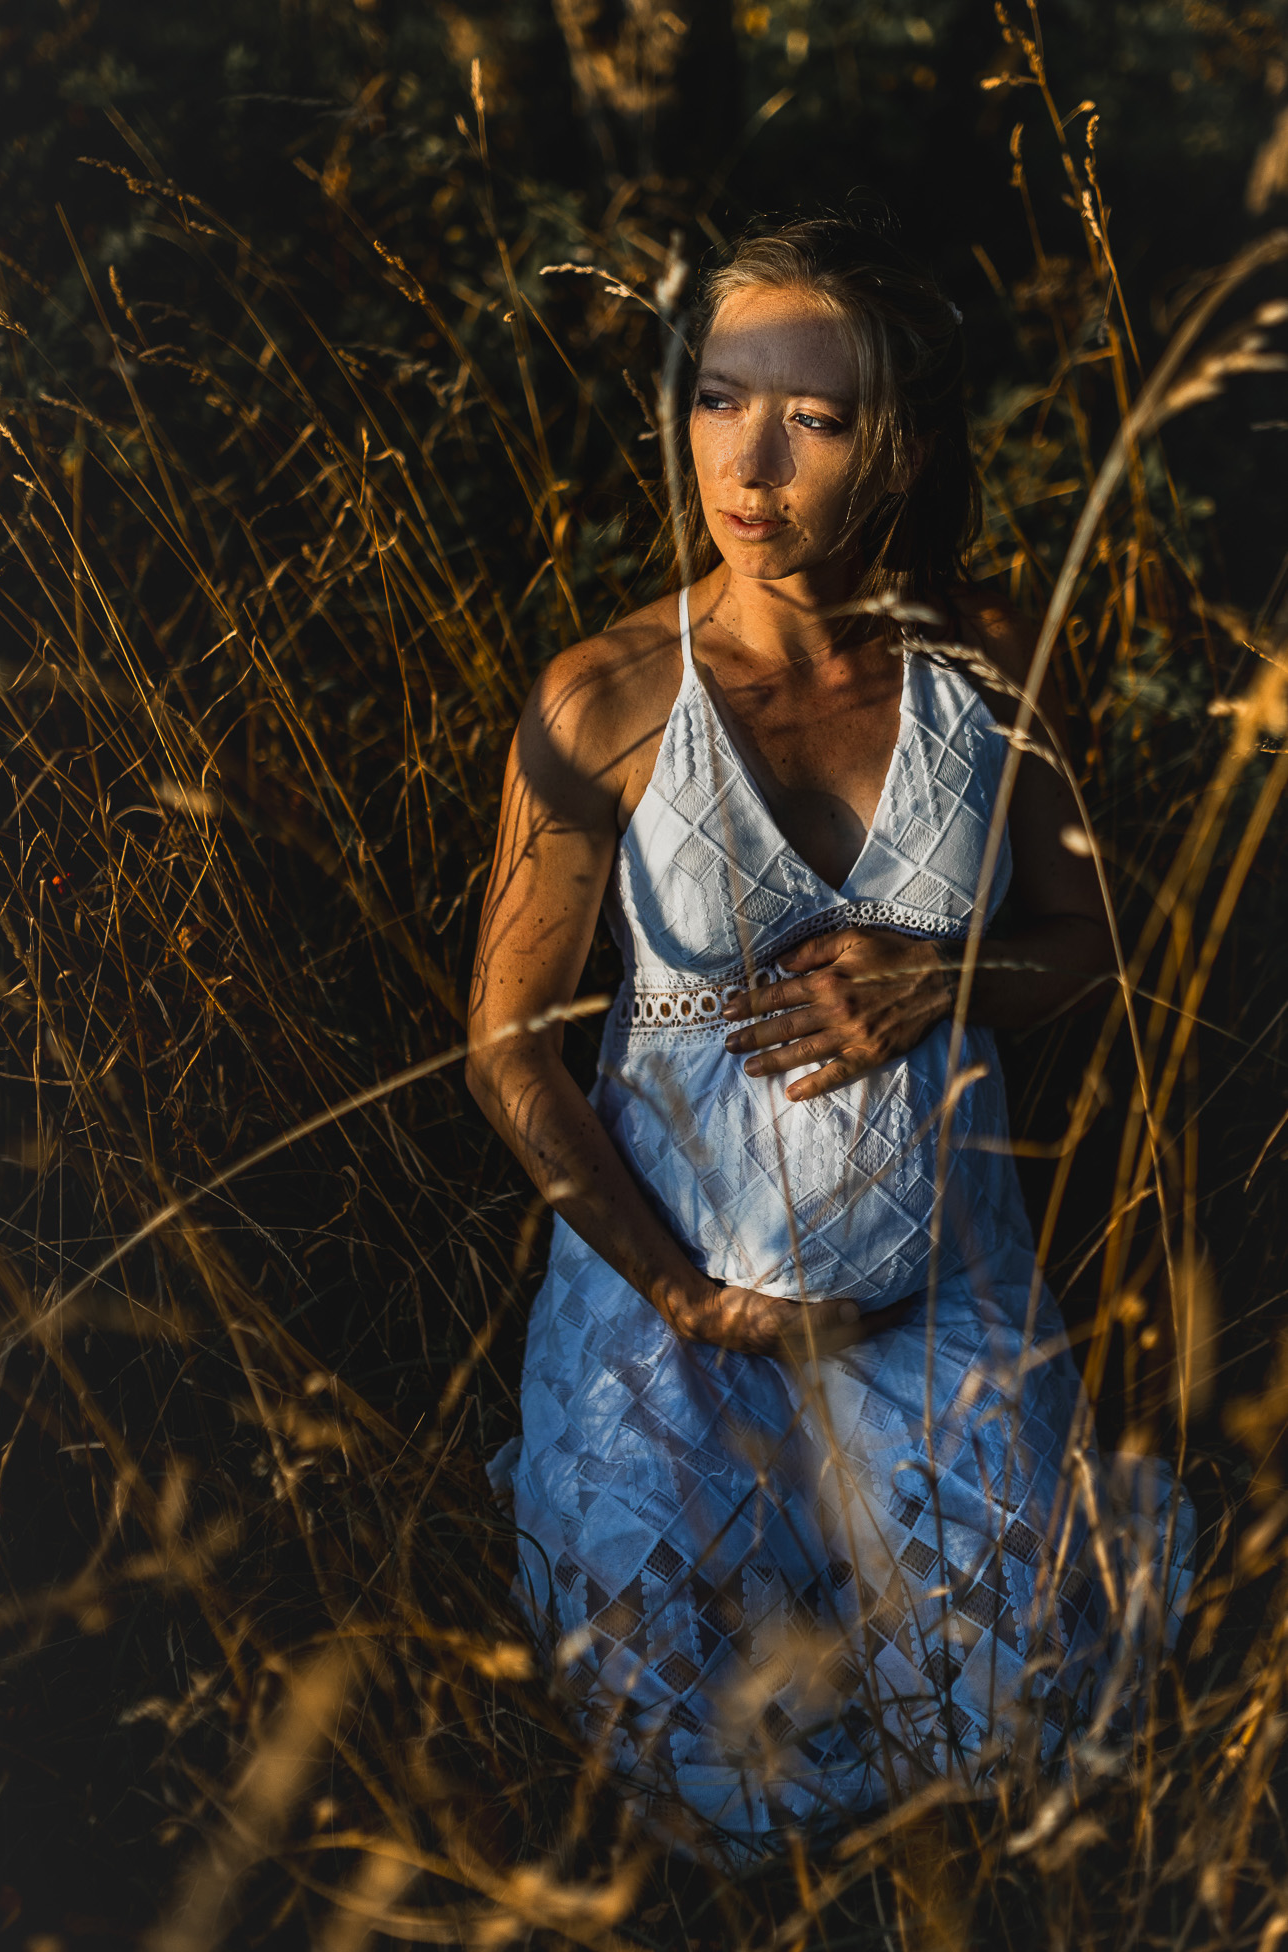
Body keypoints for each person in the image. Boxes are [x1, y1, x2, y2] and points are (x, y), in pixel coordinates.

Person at [466, 211, 1193, 1856]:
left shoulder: (986, 662)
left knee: (1013, 1740)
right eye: (721, 400)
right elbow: (505, 1046)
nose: (751, 464)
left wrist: (947, 979)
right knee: (701, 1770)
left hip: (938, 1307)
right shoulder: (605, 697)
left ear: (904, 442)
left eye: (816, 417)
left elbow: (1096, 946)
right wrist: (680, 1295)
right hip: (670, 1333)